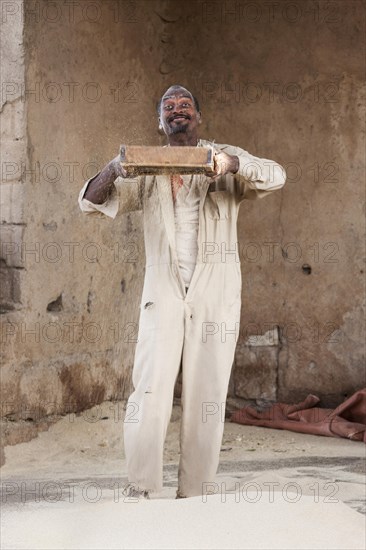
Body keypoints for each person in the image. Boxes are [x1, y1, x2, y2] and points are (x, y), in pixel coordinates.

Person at [78, 85, 286, 499]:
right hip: (164, 291)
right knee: (149, 391)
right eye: (168, 107)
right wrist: (115, 169)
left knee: (207, 391)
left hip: (216, 291)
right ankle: (144, 491)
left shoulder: (224, 157)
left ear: (198, 117)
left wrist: (230, 164)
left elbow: (277, 175)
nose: (177, 111)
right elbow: (89, 201)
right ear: (160, 122)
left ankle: (196, 493)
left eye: (185, 105)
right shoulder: (150, 170)